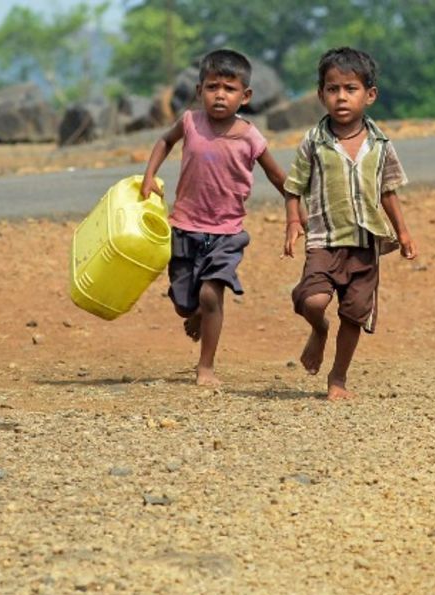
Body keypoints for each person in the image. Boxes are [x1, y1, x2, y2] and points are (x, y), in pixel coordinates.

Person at [141, 49, 288, 387]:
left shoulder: (250, 136)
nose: (220, 95)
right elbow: (164, 141)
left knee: (211, 295)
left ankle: (205, 366)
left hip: (226, 232)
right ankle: (195, 315)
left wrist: (297, 212)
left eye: (229, 88)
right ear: (199, 91)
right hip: (184, 226)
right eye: (212, 87)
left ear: (245, 96)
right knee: (183, 304)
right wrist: (149, 176)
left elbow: (278, 177)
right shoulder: (191, 122)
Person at [282, 47, 418, 400]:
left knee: (355, 314)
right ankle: (318, 329)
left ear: (370, 95)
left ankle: (338, 378)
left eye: (350, 88)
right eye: (332, 89)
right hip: (324, 239)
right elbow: (293, 187)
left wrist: (402, 232)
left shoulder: (381, 144)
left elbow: (388, 190)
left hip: (365, 244)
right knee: (313, 301)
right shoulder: (313, 141)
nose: (341, 97)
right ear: (321, 94)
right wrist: (292, 222)